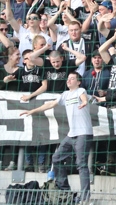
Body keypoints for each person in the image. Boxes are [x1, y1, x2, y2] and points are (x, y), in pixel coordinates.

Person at [20, 72, 92, 203]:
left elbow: (84, 98)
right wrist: (32, 111)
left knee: (81, 165)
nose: (69, 80)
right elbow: (49, 104)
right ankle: (65, 189)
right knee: (56, 158)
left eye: (72, 78)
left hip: (83, 133)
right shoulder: (65, 95)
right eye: (68, 78)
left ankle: (85, 197)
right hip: (71, 134)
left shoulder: (81, 90)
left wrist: (85, 102)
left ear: (79, 81)